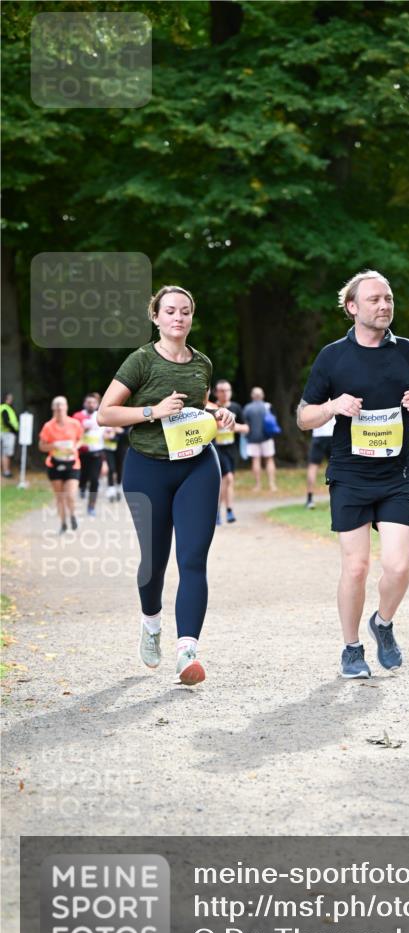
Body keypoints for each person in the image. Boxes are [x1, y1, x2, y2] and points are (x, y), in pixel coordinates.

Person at [297, 269, 409, 679]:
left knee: (398, 566)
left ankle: (383, 623)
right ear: (352, 307)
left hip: (395, 475)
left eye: (388, 298)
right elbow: (303, 417)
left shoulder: (408, 351)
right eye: (375, 299)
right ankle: (352, 649)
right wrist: (332, 406)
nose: (384, 305)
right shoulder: (333, 356)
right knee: (356, 567)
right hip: (350, 475)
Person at [98, 285, 236, 687]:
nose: (178, 317)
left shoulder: (202, 363)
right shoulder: (141, 360)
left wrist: (218, 413)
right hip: (147, 470)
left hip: (198, 466)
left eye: (185, 311)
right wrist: (152, 411)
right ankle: (151, 623)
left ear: (192, 317)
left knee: (192, 559)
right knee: (154, 561)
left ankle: (187, 652)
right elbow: (106, 414)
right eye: (170, 311)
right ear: (156, 317)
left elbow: (198, 407)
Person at [38, 396, 83, 533]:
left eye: (61, 405)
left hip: (72, 464)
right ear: (53, 408)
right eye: (56, 405)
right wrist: (53, 445)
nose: (59, 407)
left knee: (70, 495)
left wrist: (75, 447)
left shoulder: (74, 424)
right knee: (60, 496)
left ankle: (73, 515)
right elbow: (41, 446)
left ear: (66, 407)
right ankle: (63, 523)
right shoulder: (48, 426)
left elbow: (81, 439)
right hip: (54, 464)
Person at [208, 379, 248, 524]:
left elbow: (246, 428)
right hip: (216, 448)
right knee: (228, 478)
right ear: (216, 393)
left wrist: (232, 426)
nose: (225, 393)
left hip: (231, 449)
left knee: (228, 481)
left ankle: (228, 511)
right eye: (222, 390)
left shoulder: (236, 407)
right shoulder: (211, 408)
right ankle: (218, 511)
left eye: (227, 390)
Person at [73, 393, 105, 516]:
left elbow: (108, 431)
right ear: (84, 404)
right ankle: (82, 486)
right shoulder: (78, 416)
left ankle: (91, 506)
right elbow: (72, 433)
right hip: (81, 453)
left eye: (93, 402)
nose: (91, 404)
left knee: (94, 480)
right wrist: (83, 430)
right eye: (88, 402)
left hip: (97, 453)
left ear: (97, 404)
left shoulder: (101, 416)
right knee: (83, 476)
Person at [242, 387, 278, 492]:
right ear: (262, 396)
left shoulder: (247, 408)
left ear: (252, 396)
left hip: (252, 438)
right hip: (267, 437)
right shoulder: (268, 406)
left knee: (256, 460)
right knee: (269, 460)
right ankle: (272, 485)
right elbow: (274, 421)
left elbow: (245, 423)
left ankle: (258, 485)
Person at [305, 414, 335, 509]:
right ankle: (333, 500)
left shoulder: (316, 402)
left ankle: (310, 500)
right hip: (333, 434)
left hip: (318, 434)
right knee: (334, 467)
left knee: (313, 467)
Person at [0, 392, 19, 478]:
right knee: (6, 453)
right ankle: (6, 471)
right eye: (9, 398)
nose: (11, 400)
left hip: (5, 432)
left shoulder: (4, 407)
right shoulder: (5, 408)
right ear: (6, 399)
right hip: (7, 433)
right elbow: (6, 421)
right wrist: (14, 430)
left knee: (3, 453)